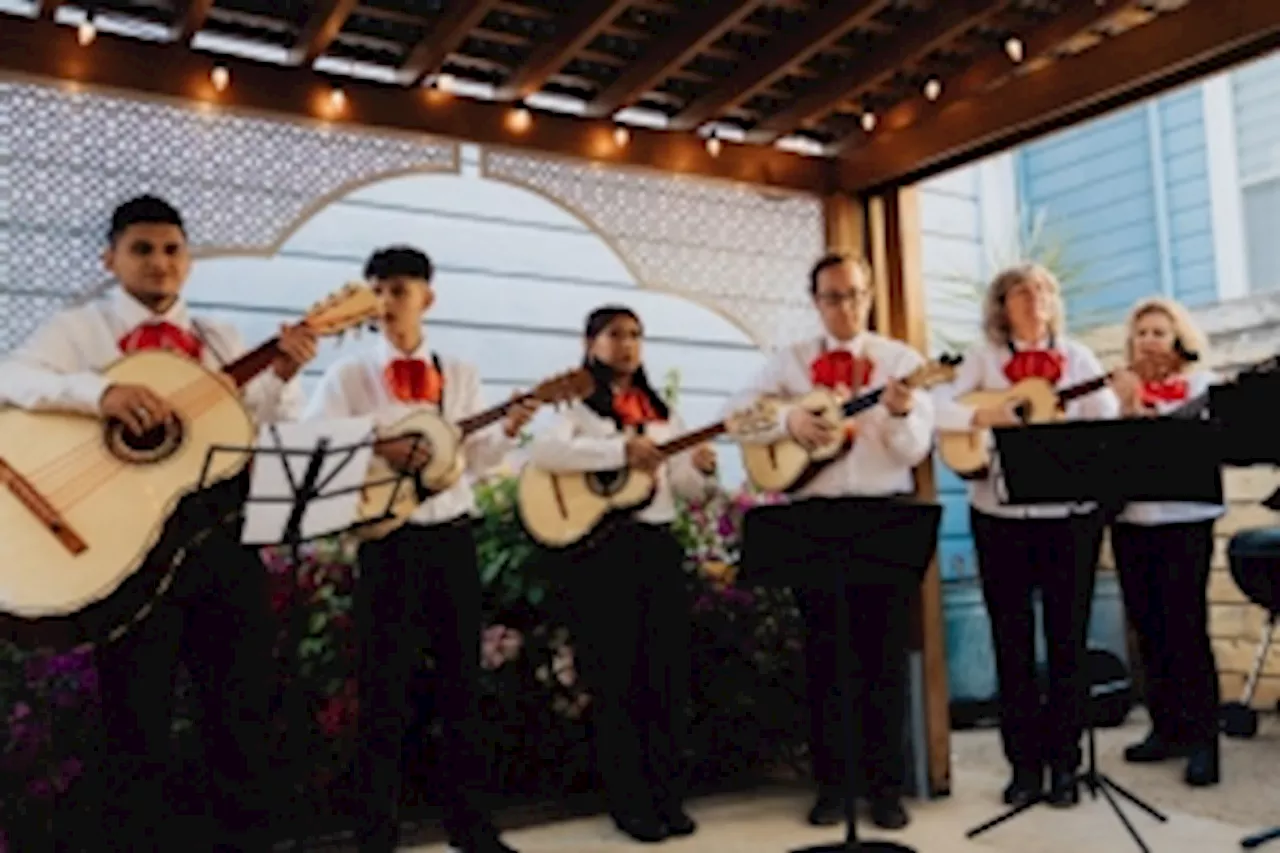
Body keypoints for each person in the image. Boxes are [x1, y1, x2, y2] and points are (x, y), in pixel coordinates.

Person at [0, 195, 317, 852]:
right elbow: (10, 376)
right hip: (128, 553)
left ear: (189, 260)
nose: (159, 262)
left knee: (241, 712)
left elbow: (268, 430)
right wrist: (100, 393)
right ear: (109, 259)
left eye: (172, 249)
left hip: (220, 543)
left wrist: (284, 376)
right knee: (134, 722)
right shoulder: (78, 331)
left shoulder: (222, 340)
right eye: (141, 248)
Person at [303, 245, 534, 853]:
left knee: (461, 684)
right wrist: (375, 442)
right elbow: (314, 446)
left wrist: (506, 430)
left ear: (428, 297)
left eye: (398, 290)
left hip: (452, 536)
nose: (385, 302)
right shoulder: (347, 376)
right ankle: (375, 834)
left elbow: (475, 462)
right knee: (383, 690)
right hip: (387, 542)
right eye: (375, 290)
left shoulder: (460, 372)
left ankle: (470, 824)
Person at [726, 253, 936, 831]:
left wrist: (897, 413)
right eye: (833, 296)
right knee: (824, 661)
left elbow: (914, 450)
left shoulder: (902, 362)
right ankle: (832, 788)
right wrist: (788, 423)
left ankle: (885, 789)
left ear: (869, 296)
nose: (846, 306)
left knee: (883, 661)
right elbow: (734, 417)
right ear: (815, 301)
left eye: (855, 294)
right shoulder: (788, 362)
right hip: (812, 521)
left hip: (881, 516)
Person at [526, 305, 717, 844]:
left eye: (636, 335)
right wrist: (617, 448)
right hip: (604, 551)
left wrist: (699, 472)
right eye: (615, 335)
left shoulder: (661, 411)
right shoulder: (576, 408)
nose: (628, 344)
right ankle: (628, 802)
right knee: (615, 679)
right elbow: (545, 449)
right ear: (590, 343)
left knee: (664, 675)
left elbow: (682, 489)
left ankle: (667, 795)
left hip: (656, 546)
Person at [932, 262, 1119, 809]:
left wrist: (1088, 399)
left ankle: (1065, 764)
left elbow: (1101, 423)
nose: (1034, 298)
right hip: (1000, 515)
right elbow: (940, 409)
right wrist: (991, 414)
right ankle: (1023, 768)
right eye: (1022, 291)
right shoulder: (982, 357)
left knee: (1067, 642)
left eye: (1042, 290)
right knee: (1010, 645)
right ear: (1002, 303)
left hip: (1068, 518)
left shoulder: (1078, 357)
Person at [1108, 296, 1223, 787]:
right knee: (1148, 627)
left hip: (1184, 517)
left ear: (1179, 339)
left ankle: (1204, 740)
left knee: (1186, 628)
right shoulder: (1113, 392)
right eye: (1141, 333)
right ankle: (1166, 728)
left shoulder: (1199, 388)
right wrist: (1124, 403)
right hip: (1133, 519)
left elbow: (1182, 446)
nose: (1149, 341)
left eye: (1159, 332)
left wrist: (1135, 409)